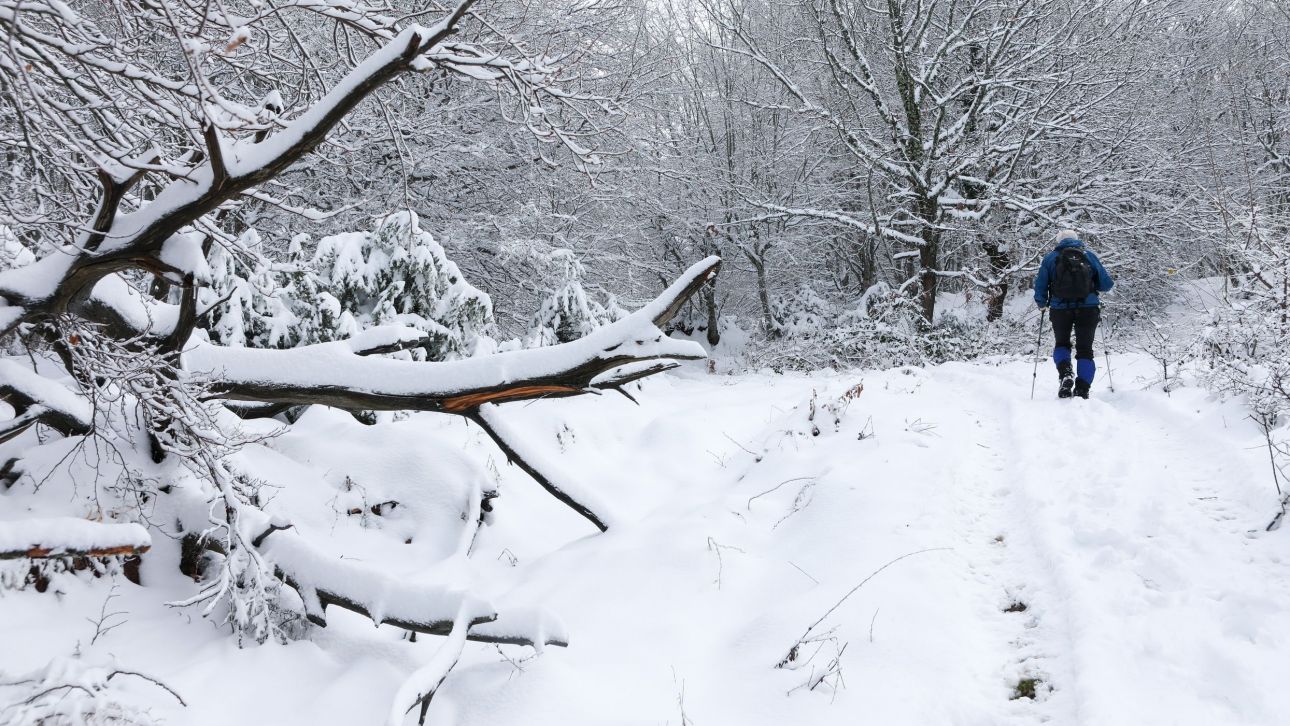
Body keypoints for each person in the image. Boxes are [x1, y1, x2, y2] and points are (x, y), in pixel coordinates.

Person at [1033, 229, 1114, 399]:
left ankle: (1065, 374)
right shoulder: (1088, 256)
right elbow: (1106, 284)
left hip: (1060, 309)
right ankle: (1082, 389)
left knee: (1062, 344)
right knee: (1085, 350)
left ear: (1058, 241)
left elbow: (1040, 285)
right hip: (1088, 308)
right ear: (1077, 240)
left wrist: (1042, 304)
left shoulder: (1050, 259)